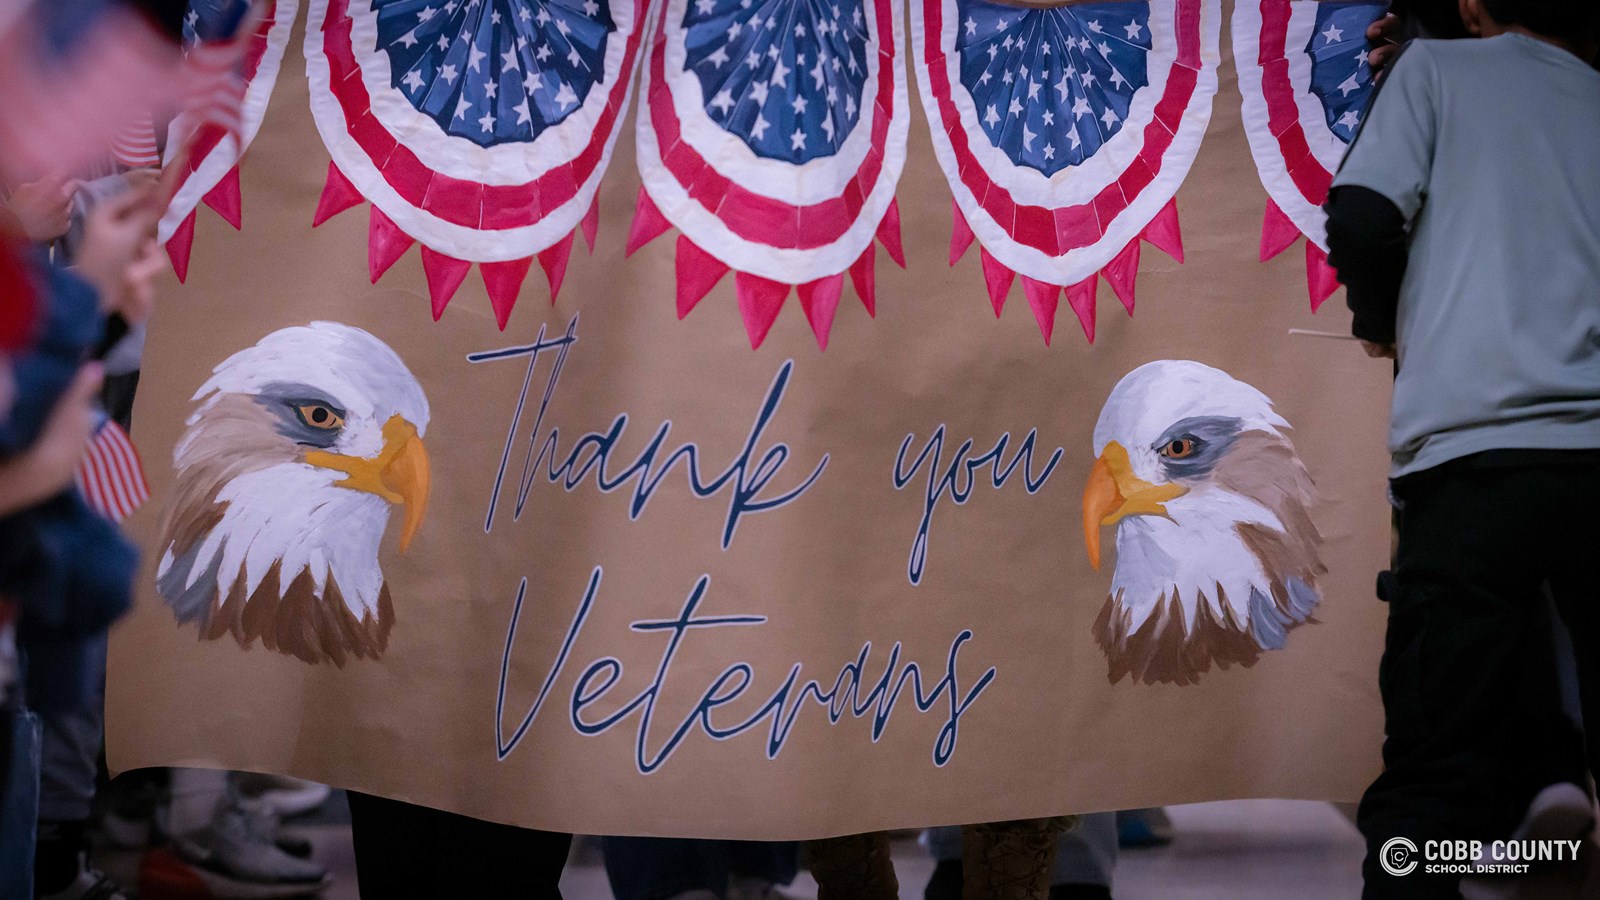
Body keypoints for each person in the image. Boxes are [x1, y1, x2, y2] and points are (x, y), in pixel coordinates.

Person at [1322, 1, 1600, 897]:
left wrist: (1383, 316)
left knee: (1432, 776)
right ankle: (1553, 845)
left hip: (1471, 466)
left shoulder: (1437, 73)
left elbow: (1361, 216)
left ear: (1474, 5)